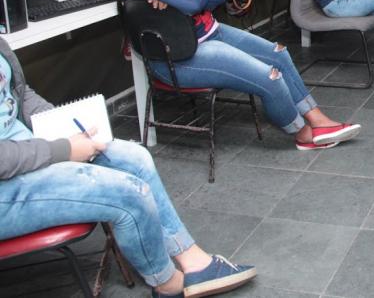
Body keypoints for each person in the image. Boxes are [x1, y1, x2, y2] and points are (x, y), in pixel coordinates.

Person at [0, 37, 256, 298]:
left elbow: (18, 94)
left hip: (30, 150)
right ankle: (167, 283)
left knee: (135, 158)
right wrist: (64, 150)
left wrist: (61, 126)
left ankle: (194, 262)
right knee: (129, 194)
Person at [119, 0, 361, 150]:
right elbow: (193, 1)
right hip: (179, 56)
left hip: (210, 33)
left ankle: (317, 119)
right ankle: (303, 133)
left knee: (279, 54)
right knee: (270, 78)